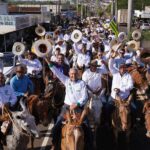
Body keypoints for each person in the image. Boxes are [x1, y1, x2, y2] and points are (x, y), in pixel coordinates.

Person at [44, 57, 92, 150]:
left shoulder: (82, 83)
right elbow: (56, 71)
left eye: (74, 74)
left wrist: (77, 104)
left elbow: (85, 97)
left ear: (78, 74)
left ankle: (89, 146)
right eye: (71, 74)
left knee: (87, 128)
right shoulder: (66, 80)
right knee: (57, 126)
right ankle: (54, 144)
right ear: (69, 74)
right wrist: (47, 61)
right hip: (66, 108)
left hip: (79, 109)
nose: (73, 75)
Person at [0, 72, 17, 149]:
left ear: (4, 78)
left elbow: (14, 98)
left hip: (8, 111)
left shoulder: (9, 87)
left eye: (2, 77)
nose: (1, 79)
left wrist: (9, 103)